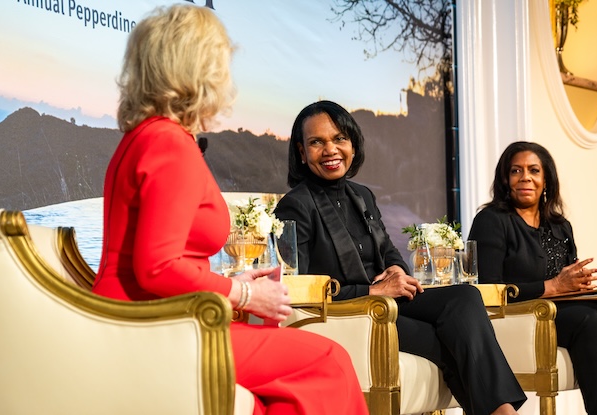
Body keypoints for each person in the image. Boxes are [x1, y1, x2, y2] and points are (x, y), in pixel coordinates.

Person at [91, 6, 368, 415]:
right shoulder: (168, 142)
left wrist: (231, 283)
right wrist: (246, 293)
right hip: (155, 326)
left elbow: (158, 258)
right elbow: (156, 267)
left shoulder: (146, 136)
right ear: (200, 68)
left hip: (153, 317)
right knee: (330, 361)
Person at [274, 100, 526, 415]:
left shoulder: (361, 195)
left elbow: (387, 250)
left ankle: (502, 412)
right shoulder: (295, 205)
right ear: (301, 152)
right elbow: (299, 286)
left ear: (352, 144)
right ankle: (504, 413)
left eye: (339, 138)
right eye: (316, 142)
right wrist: (371, 291)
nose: (330, 149)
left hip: (387, 299)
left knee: (464, 296)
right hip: (350, 309)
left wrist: (396, 268)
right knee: (449, 338)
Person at [467, 141, 597, 415]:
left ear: (546, 180)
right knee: (592, 319)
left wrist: (581, 287)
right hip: (516, 316)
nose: (525, 177)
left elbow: (567, 282)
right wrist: (553, 286)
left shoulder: (559, 226)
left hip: (560, 311)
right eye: (516, 171)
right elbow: (487, 289)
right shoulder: (491, 220)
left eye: (534, 170)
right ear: (505, 179)